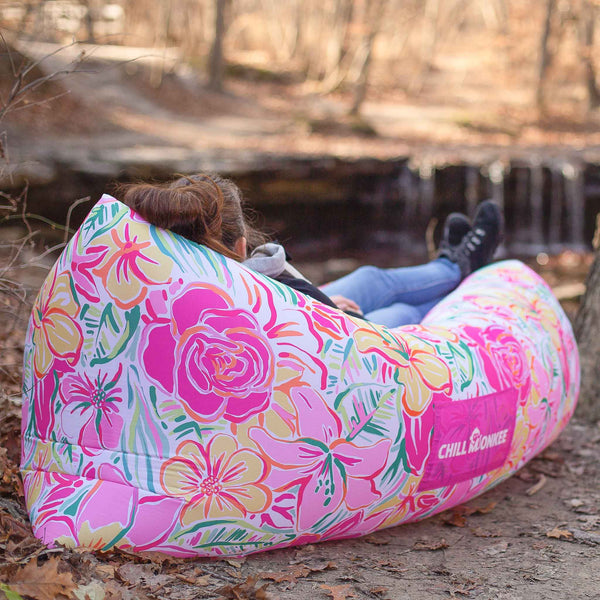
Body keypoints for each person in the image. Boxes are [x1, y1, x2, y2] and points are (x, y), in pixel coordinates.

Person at [118, 173, 503, 328]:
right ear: (238, 245)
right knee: (400, 311)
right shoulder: (265, 288)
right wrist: (333, 311)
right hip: (342, 336)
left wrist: (326, 301)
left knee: (369, 277)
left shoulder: (160, 275)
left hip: (316, 313)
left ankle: (452, 264)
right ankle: (459, 276)